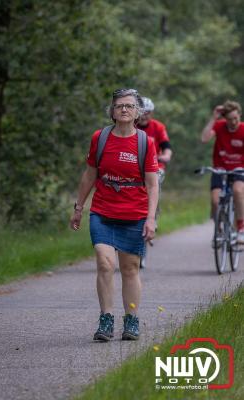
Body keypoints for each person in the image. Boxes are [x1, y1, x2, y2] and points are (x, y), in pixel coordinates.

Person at [70, 88, 159, 341]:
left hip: (135, 212)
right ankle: (106, 319)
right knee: (104, 262)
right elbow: (89, 175)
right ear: (112, 110)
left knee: (130, 269)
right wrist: (78, 208)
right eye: (119, 105)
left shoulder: (145, 142)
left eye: (129, 106)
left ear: (137, 112)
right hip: (103, 210)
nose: (124, 109)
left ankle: (131, 320)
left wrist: (151, 218)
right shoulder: (100, 138)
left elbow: (153, 185)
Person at [201, 100, 244, 244]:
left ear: (240, 115)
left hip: (239, 169)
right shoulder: (219, 126)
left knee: (238, 191)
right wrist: (214, 118)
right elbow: (204, 139)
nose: (233, 122)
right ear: (225, 119)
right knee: (215, 200)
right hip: (220, 169)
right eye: (230, 119)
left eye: (236, 118)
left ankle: (240, 228)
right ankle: (218, 230)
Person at [137, 97, 172, 267]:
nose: (144, 116)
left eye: (147, 113)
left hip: (156, 165)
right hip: (136, 166)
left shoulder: (158, 127)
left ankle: (153, 216)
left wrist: (165, 156)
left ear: (151, 113)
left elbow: (167, 147)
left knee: (155, 182)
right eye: (142, 112)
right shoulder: (132, 126)